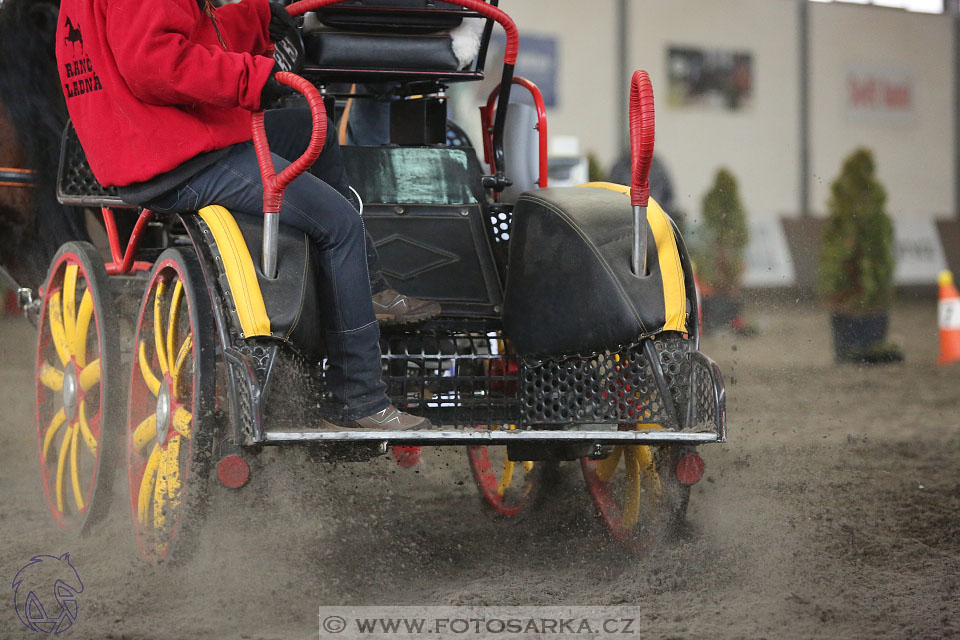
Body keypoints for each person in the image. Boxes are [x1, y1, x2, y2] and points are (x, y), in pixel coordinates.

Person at [54, 0, 432, 430]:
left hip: (153, 138)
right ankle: (358, 400)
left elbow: (171, 37)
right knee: (340, 224)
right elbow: (154, 64)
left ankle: (367, 289)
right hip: (176, 154)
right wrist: (252, 77)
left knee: (313, 126)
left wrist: (253, 17)